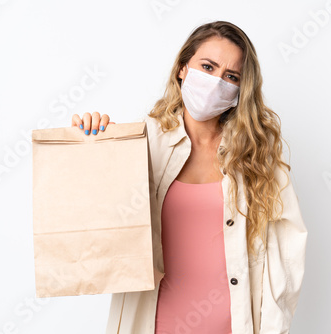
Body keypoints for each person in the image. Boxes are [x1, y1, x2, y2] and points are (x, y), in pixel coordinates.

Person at [71, 20, 307, 334]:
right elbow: (97, 223)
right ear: (183, 68)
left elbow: (285, 257)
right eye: (207, 67)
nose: (215, 82)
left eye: (231, 76)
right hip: (153, 323)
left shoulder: (257, 159)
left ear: (241, 89)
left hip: (234, 324)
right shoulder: (141, 142)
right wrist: (92, 144)